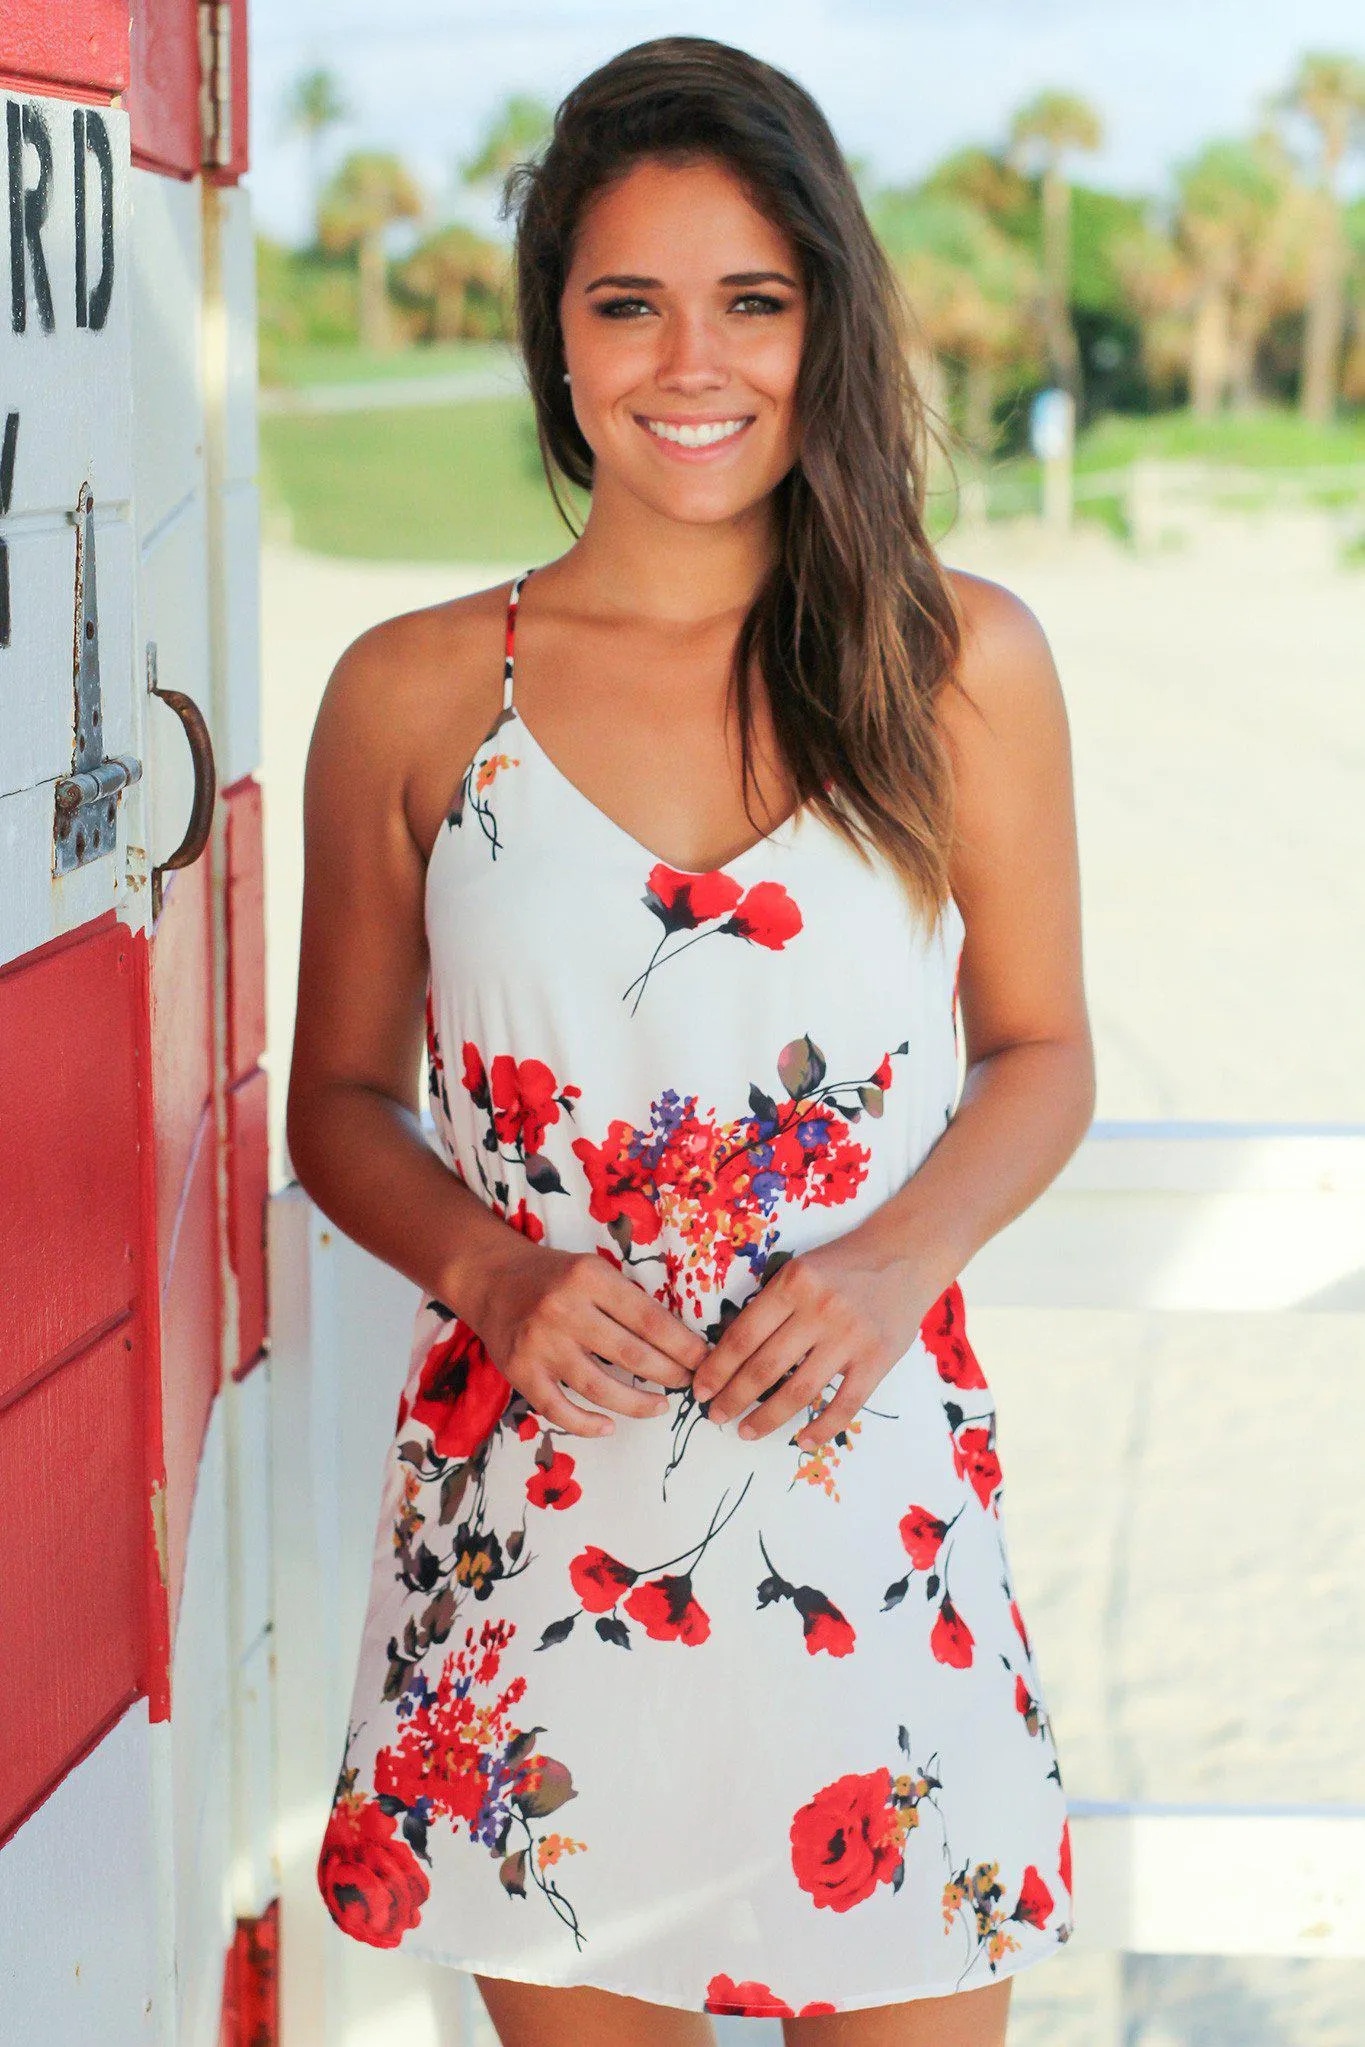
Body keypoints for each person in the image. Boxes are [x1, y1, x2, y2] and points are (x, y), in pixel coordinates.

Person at [288, 34, 1094, 2047]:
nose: (689, 361)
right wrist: (489, 1266)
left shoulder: (954, 661)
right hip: (539, 1547)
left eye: (753, 300)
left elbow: (1043, 1049)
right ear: (551, 331)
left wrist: (891, 1264)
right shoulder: (406, 694)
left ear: (823, 321)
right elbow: (334, 1101)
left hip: (869, 1513)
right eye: (625, 304)